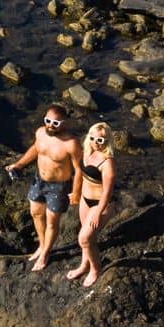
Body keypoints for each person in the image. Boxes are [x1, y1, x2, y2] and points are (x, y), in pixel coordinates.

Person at [6, 105, 82, 272]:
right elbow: (35, 149)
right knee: (36, 213)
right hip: (39, 180)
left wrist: (76, 192)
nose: (50, 125)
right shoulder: (41, 132)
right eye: (48, 121)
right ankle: (42, 245)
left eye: (55, 123)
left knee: (52, 222)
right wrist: (18, 165)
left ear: (64, 123)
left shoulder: (71, 143)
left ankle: (46, 253)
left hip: (58, 187)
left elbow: (79, 170)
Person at [67, 122, 116, 287]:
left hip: (100, 205)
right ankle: (84, 265)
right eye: (93, 138)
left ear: (107, 141)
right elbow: (80, 174)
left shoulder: (107, 163)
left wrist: (97, 212)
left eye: (101, 140)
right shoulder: (87, 152)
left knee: (84, 238)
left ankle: (96, 269)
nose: (96, 142)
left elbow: (107, 193)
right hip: (84, 200)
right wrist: (75, 192)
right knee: (88, 237)